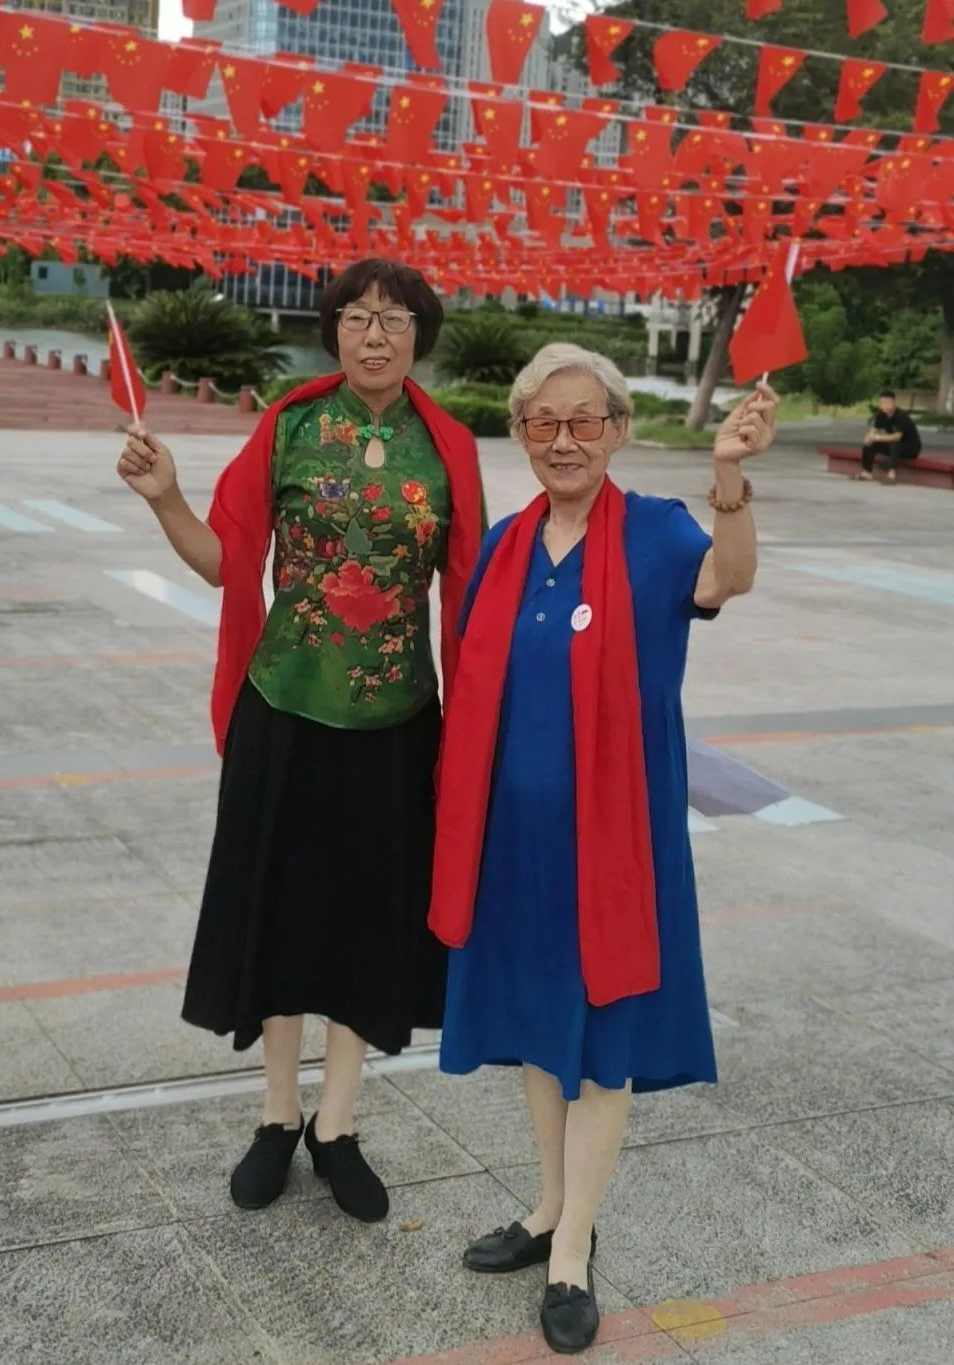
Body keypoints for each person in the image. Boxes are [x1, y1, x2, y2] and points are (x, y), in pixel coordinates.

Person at [116, 259, 483, 1225]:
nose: (375, 334)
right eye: (357, 317)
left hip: (396, 722)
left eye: (394, 319)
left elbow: (472, 594)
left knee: (367, 920)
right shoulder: (288, 426)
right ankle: (277, 1115)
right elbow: (227, 562)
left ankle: (338, 1124)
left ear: (419, 335)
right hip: (282, 707)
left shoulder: (448, 448)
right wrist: (165, 498)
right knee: (278, 909)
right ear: (333, 332)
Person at [429, 344, 778, 1355]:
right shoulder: (507, 545)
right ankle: (547, 1208)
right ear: (521, 435)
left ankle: (574, 1246)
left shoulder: (657, 533)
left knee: (601, 1036)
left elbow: (731, 575)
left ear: (618, 431)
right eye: (543, 422)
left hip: (614, 844)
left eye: (585, 420)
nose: (564, 440)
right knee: (542, 1028)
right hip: (516, 845)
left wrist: (727, 477)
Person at [860, 389, 921, 483]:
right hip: (894, 447)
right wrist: (868, 438)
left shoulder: (901, 416)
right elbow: (872, 432)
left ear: (894, 402)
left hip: (910, 448)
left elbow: (897, 437)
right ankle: (866, 472)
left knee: (893, 442)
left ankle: (891, 475)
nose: (885, 405)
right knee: (870, 443)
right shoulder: (881, 415)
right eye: (882, 403)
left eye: (887, 402)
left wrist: (877, 437)